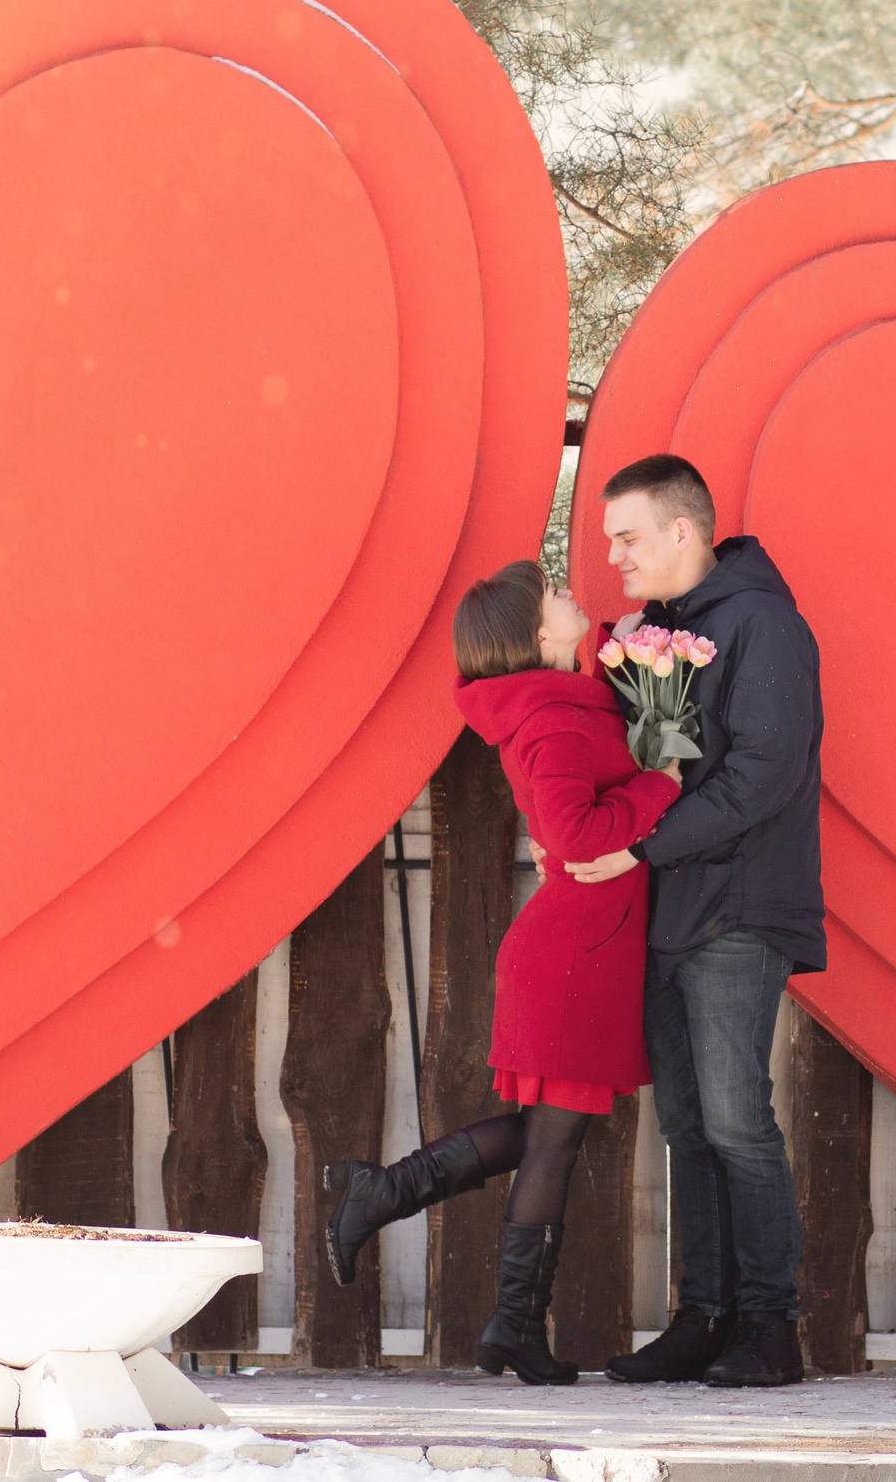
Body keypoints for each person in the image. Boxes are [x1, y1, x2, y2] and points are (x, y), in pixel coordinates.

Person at [320, 559, 680, 1385]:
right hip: (575, 953)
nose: (569, 590)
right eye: (553, 591)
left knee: (546, 1133)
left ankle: (394, 1200)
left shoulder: (564, 699)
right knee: (552, 1141)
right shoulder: (550, 719)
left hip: (584, 945)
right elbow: (577, 832)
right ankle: (510, 1322)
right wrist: (662, 785)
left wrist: (631, 657)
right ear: (534, 632)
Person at [567, 453, 824, 1389]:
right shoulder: (661, 633)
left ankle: (770, 1327)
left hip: (737, 908)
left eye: (628, 537)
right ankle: (704, 1316)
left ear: (684, 530)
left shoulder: (761, 624)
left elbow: (765, 772)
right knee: (687, 1123)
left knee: (735, 1119)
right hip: (669, 907)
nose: (615, 557)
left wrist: (644, 844)